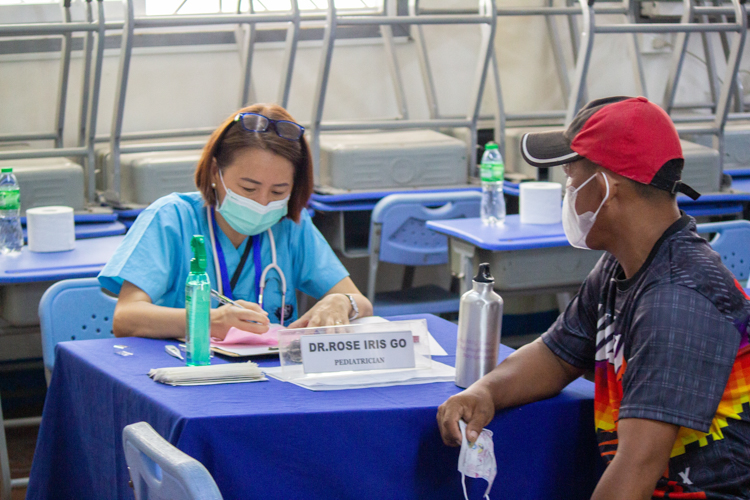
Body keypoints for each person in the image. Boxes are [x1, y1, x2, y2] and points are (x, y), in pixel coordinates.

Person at [437, 96, 750, 499]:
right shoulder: (624, 266)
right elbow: (555, 355)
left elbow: (637, 467)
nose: (566, 193)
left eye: (570, 179)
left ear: (605, 187)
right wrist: (484, 392)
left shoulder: (679, 299)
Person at [99, 103, 373, 339]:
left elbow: (361, 302)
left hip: (273, 376)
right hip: (189, 368)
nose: (263, 202)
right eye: (249, 189)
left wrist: (341, 302)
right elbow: (126, 317)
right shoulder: (172, 218)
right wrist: (211, 321)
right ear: (216, 172)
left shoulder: (291, 226)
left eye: (278, 191)